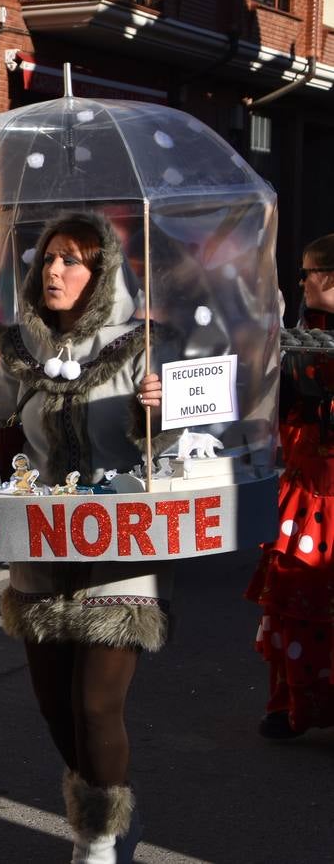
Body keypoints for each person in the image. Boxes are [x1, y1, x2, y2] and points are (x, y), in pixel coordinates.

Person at [0, 211, 163, 861]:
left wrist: (155, 410)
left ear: (100, 273)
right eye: (48, 257)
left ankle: (98, 839)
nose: (53, 269)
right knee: (55, 709)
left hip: (116, 547)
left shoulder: (140, 347)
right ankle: (106, 798)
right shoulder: (22, 347)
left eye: (72, 259)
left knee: (96, 706)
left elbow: (176, 447)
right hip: (42, 548)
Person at [246, 232, 334, 739]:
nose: (302, 283)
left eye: (308, 273)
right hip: (304, 494)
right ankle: (288, 704)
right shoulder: (294, 334)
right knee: (291, 602)